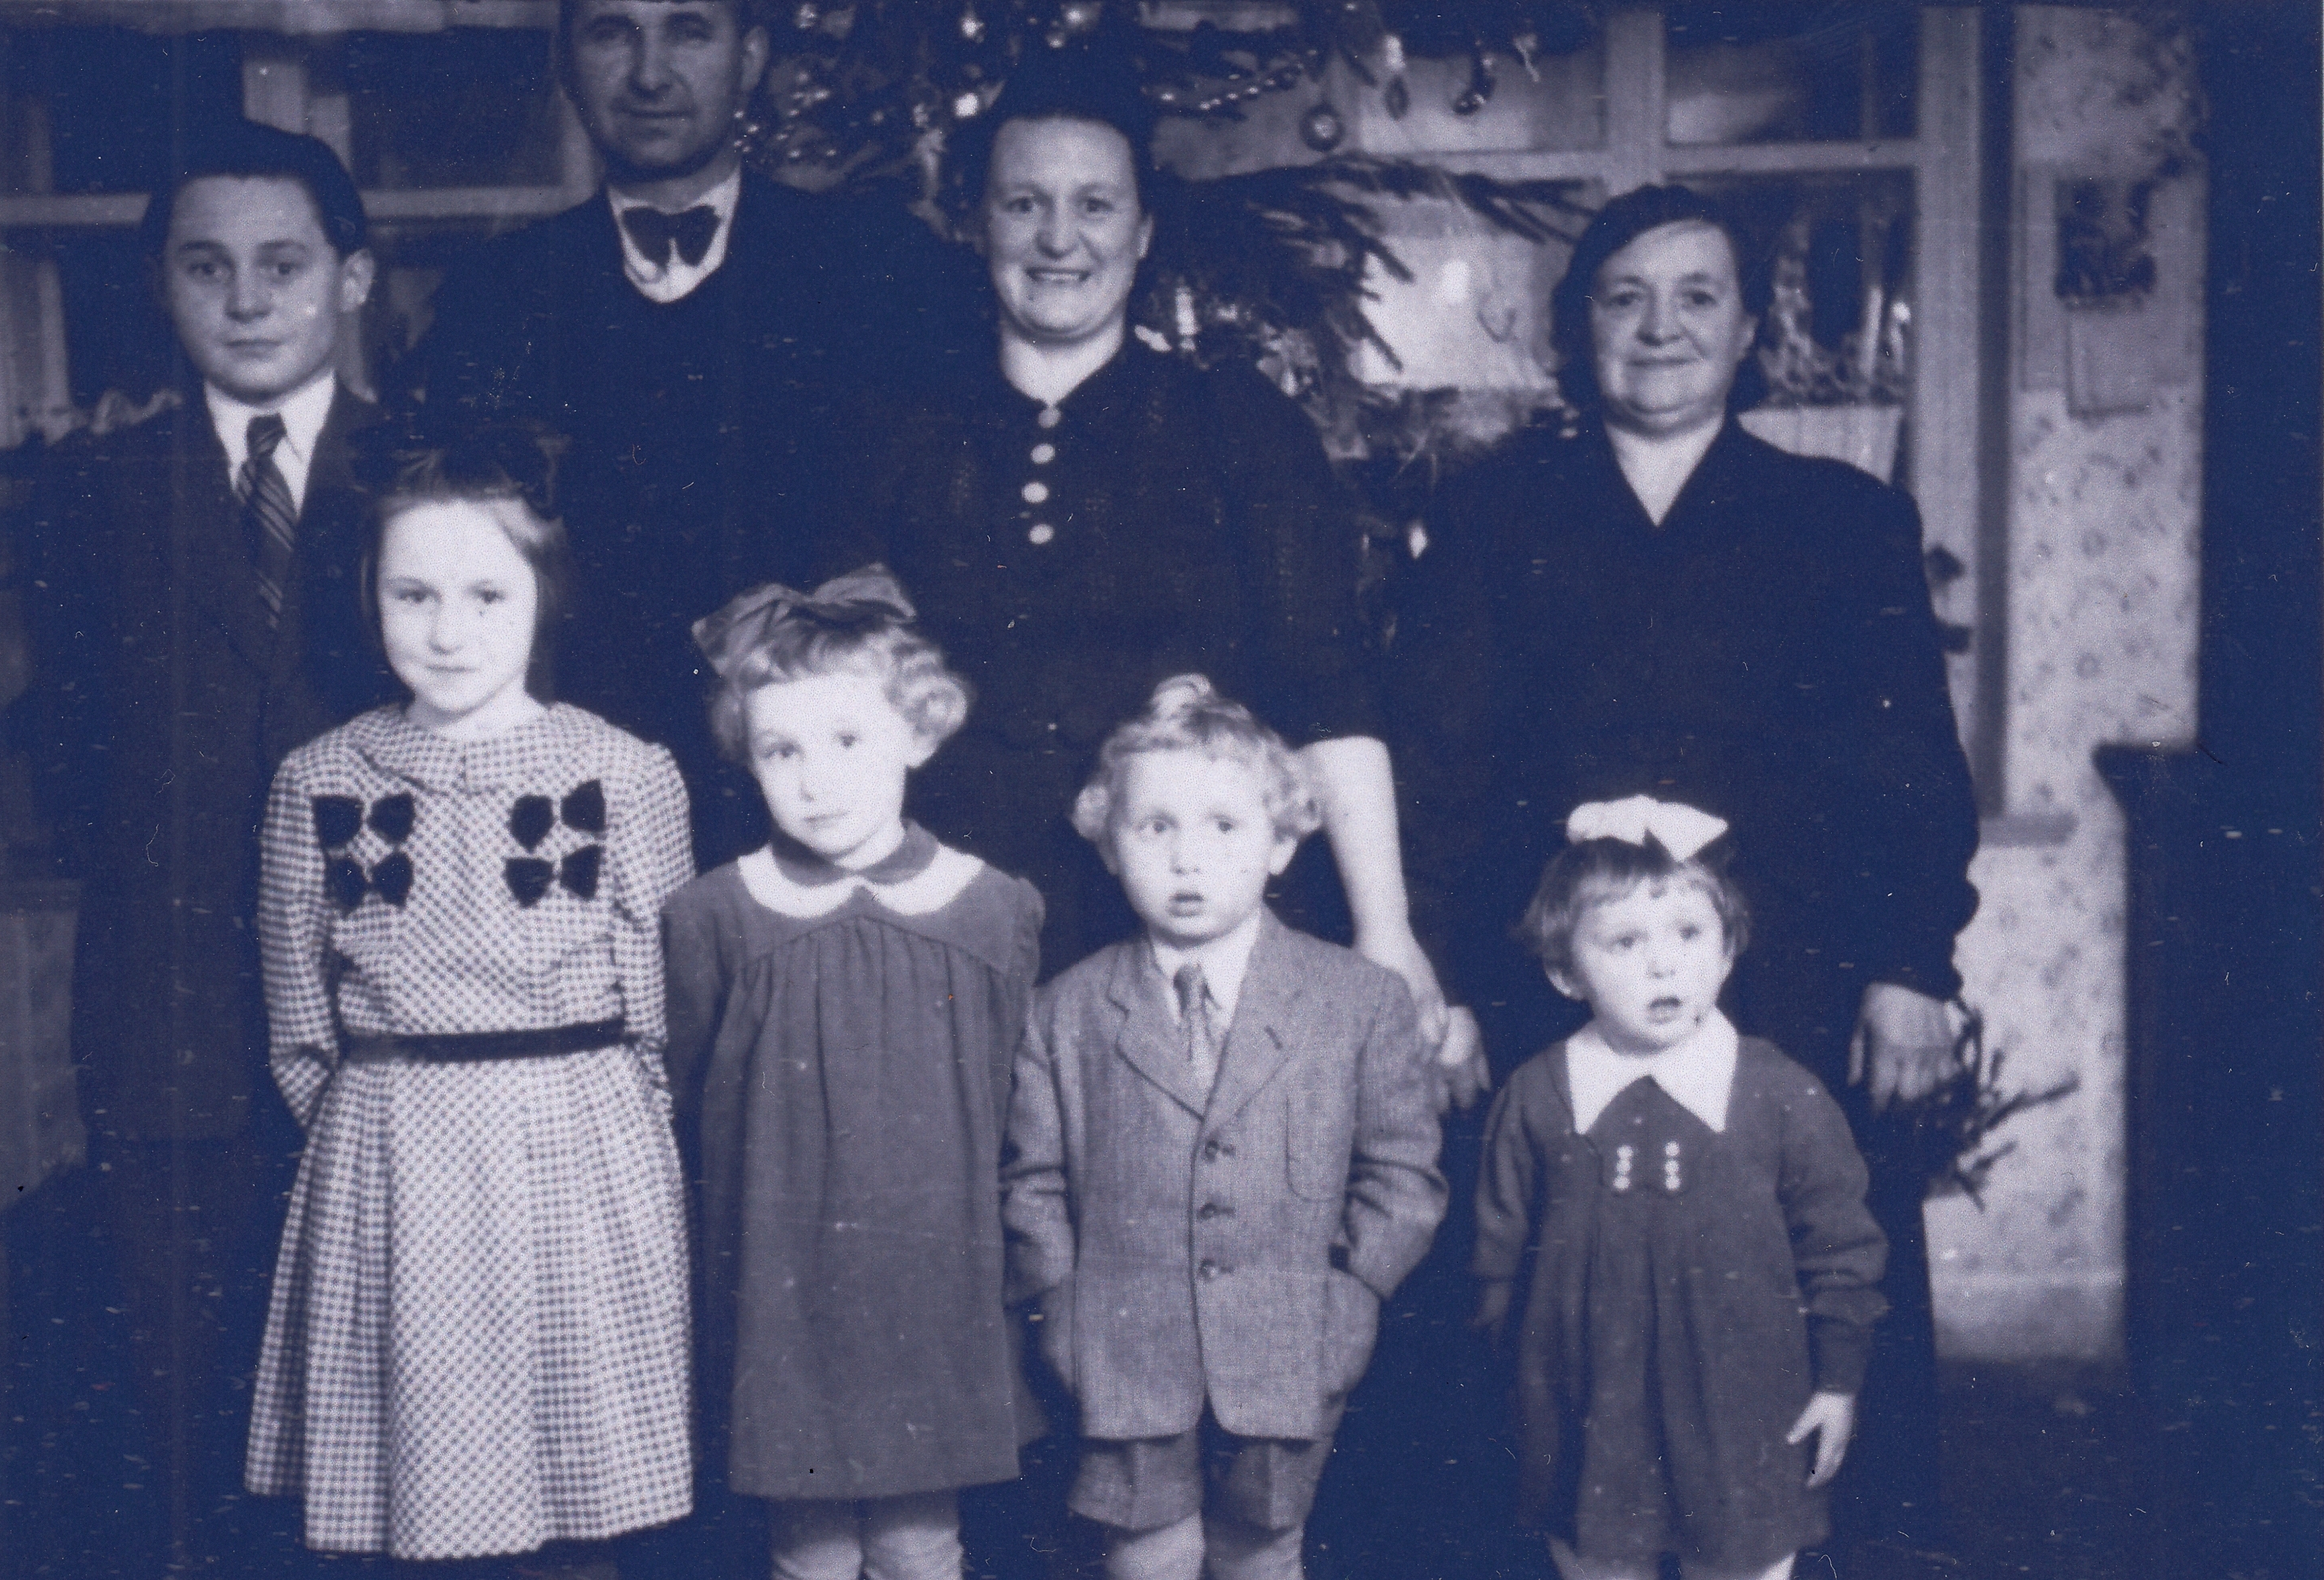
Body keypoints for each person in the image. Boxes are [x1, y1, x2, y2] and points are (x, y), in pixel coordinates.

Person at [1387, 183, 1978, 1554]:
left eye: (1696, 296)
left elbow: (1906, 766)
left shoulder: (1840, 518)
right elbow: (1432, 766)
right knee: (1549, 1337)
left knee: (1798, 1317)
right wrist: (1443, 984)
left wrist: (1910, 966)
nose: (1660, 327)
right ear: (1577, 327)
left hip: (1792, 989)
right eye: (1625, 297)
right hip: (1547, 990)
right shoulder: (1492, 513)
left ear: (1749, 328)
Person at [849, 50, 1464, 1080]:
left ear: (1141, 232)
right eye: (1024, 204)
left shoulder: (1236, 425)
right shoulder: (900, 433)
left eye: (1094, 205)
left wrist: (1386, 932)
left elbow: (1327, 691)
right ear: (976, 224)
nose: (1059, 239)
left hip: (1182, 924)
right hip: (946, 932)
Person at [15, 119, 391, 1570]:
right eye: (205, 266)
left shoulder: (434, 470)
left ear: (353, 277)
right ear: (161, 285)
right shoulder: (92, 494)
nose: (245, 300)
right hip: (170, 1008)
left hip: (393, 1007)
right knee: (196, 1401)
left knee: (399, 1397)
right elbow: (74, 754)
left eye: (283, 264)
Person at [244, 427, 694, 1574]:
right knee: (429, 1492)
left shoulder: (626, 774)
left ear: (547, 596)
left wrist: (605, 1144)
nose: (448, 632)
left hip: (577, 1160)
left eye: (487, 595)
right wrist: (385, 1133)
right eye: (414, 595)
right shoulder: (318, 780)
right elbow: (299, 1026)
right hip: (394, 1163)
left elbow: (663, 1019)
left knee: (580, 1501)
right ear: (369, 598)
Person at [408, 0, 979, 872]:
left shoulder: (879, 265)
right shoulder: (496, 295)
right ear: (565, 62)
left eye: (688, 31)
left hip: (824, 803)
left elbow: (938, 554)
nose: (649, 74)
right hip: (570, 806)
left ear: (750, 58)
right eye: (612, 33)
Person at [1003, 676, 1445, 1580]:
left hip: (1294, 1339)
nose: (1187, 860)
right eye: (1154, 828)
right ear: (1108, 844)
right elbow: (1030, 1180)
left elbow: (1403, 1172)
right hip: (1120, 1346)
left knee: (1263, 1550)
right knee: (1145, 1554)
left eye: (1223, 827)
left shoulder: (1359, 1000)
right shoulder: (1063, 1010)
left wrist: (1354, 1290)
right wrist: (1061, 1302)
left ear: (1281, 844)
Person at [661, 567, 1045, 1580]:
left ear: (918, 734)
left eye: (846, 741)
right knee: (811, 1549)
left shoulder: (993, 909)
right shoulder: (715, 914)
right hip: (785, 1294)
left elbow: (1017, 1105)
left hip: (933, 1290)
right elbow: (688, 1098)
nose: (815, 780)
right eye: (780, 750)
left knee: (920, 1544)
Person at [1471, 798, 1888, 1580]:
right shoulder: (1536, 1097)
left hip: (1745, 1423)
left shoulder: (1779, 1093)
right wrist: (1523, 1388)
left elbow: (1841, 1251)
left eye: (1689, 934)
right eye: (1625, 942)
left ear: (1728, 952)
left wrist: (1838, 1380)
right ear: (1565, 972)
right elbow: (1494, 1264)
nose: (1664, 966)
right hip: (1585, 1423)